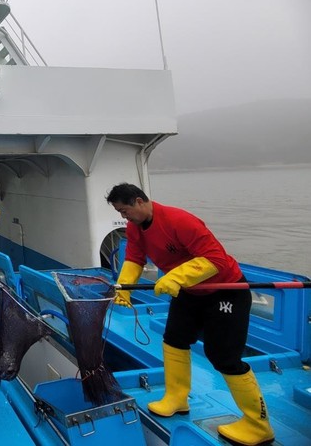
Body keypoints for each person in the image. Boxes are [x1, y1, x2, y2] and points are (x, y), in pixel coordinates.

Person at [106, 183, 274, 446]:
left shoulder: (180, 220)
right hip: (190, 291)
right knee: (174, 340)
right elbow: (135, 259)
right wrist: (124, 289)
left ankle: (258, 424)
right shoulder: (135, 227)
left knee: (224, 356)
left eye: (124, 211)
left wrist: (176, 276)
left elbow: (216, 259)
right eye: (120, 212)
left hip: (225, 290)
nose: (123, 216)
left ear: (139, 201)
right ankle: (177, 398)